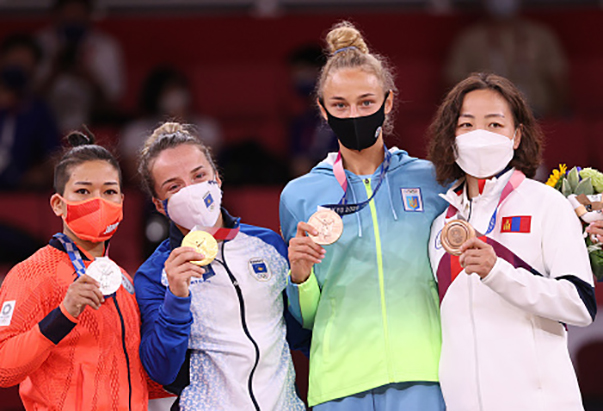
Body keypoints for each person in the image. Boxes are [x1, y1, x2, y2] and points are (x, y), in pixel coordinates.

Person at [280, 22, 447, 410]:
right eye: (340, 105)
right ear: (322, 110)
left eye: (366, 102)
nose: (353, 114)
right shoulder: (299, 195)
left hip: (424, 372)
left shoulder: (432, 181)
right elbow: (306, 317)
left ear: (388, 103)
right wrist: (300, 277)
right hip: (339, 382)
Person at [427, 72, 596, 411]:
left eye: (494, 124)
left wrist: (498, 272)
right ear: (451, 136)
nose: (480, 136)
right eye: (467, 125)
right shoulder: (440, 226)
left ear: (516, 135)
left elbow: (580, 304)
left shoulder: (546, 204)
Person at [134, 122, 308, 410]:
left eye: (199, 176)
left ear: (217, 178)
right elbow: (161, 370)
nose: (191, 191)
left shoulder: (267, 244)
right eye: (174, 186)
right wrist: (176, 297)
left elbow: (299, 336)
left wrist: (302, 280)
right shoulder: (156, 274)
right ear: (159, 204)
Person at [0, 130, 149, 409]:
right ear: (58, 204)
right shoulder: (31, 274)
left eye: (109, 191)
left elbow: (136, 378)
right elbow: (4, 370)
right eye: (83, 191)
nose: (98, 201)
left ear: (121, 202)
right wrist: (64, 314)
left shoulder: (123, 280)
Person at [444, 0, 568, 117]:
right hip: (485, 117)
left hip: (536, 114)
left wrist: (553, 121)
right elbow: (453, 86)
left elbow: (559, 82)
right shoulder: (470, 40)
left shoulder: (541, 35)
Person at [120, 66, 221, 184]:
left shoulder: (207, 127)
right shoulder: (135, 131)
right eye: (168, 92)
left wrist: (181, 123)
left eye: (179, 91)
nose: (175, 98)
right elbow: (136, 174)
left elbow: (208, 166)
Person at [36, 0, 125, 131]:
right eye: (67, 16)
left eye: (78, 16)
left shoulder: (106, 46)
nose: (72, 21)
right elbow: (25, 100)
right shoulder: (40, 44)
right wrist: (55, 71)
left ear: (89, 16)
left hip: (93, 124)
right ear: (55, 16)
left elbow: (113, 103)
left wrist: (85, 74)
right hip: (43, 124)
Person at [0, 33, 61, 190]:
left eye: (25, 64)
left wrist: (43, 173)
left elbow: (54, 155)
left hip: (19, 190)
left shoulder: (38, 111)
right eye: (15, 61)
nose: (18, 68)